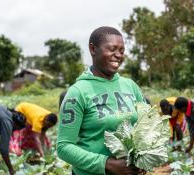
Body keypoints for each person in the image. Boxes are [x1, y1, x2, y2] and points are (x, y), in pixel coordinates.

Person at [57, 26, 146, 175]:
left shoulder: (131, 86)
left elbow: (145, 126)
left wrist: (143, 158)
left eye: (122, 51)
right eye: (112, 49)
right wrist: (106, 164)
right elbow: (64, 147)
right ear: (93, 49)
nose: (118, 55)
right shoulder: (78, 92)